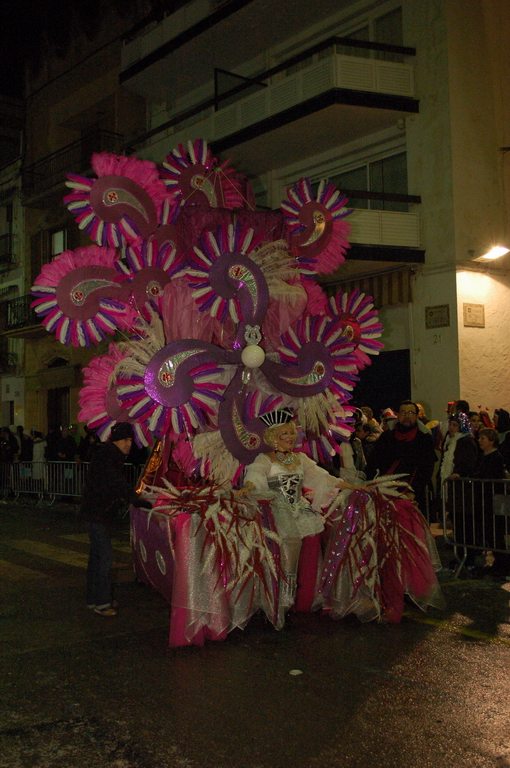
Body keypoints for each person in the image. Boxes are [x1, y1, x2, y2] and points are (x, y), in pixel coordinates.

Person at [81, 422, 152, 616]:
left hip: (96, 512)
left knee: (96, 557)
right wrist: (135, 499)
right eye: (124, 440)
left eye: (130, 440)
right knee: (104, 558)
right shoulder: (109, 457)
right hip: (97, 513)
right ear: (116, 440)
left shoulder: (110, 455)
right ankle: (102, 603)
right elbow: (117, 482)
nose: (128, 444)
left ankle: (93, 599)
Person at [364, 400, 437, 514]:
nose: (407, 416)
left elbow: (426, 469)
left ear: (417, 416)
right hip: (385, 492)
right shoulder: (387, 436)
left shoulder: (424, 439)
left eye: (411, 413)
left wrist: (412, 491)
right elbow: (373, 463)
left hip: (413, 493)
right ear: (397, 415)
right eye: (403, 412)